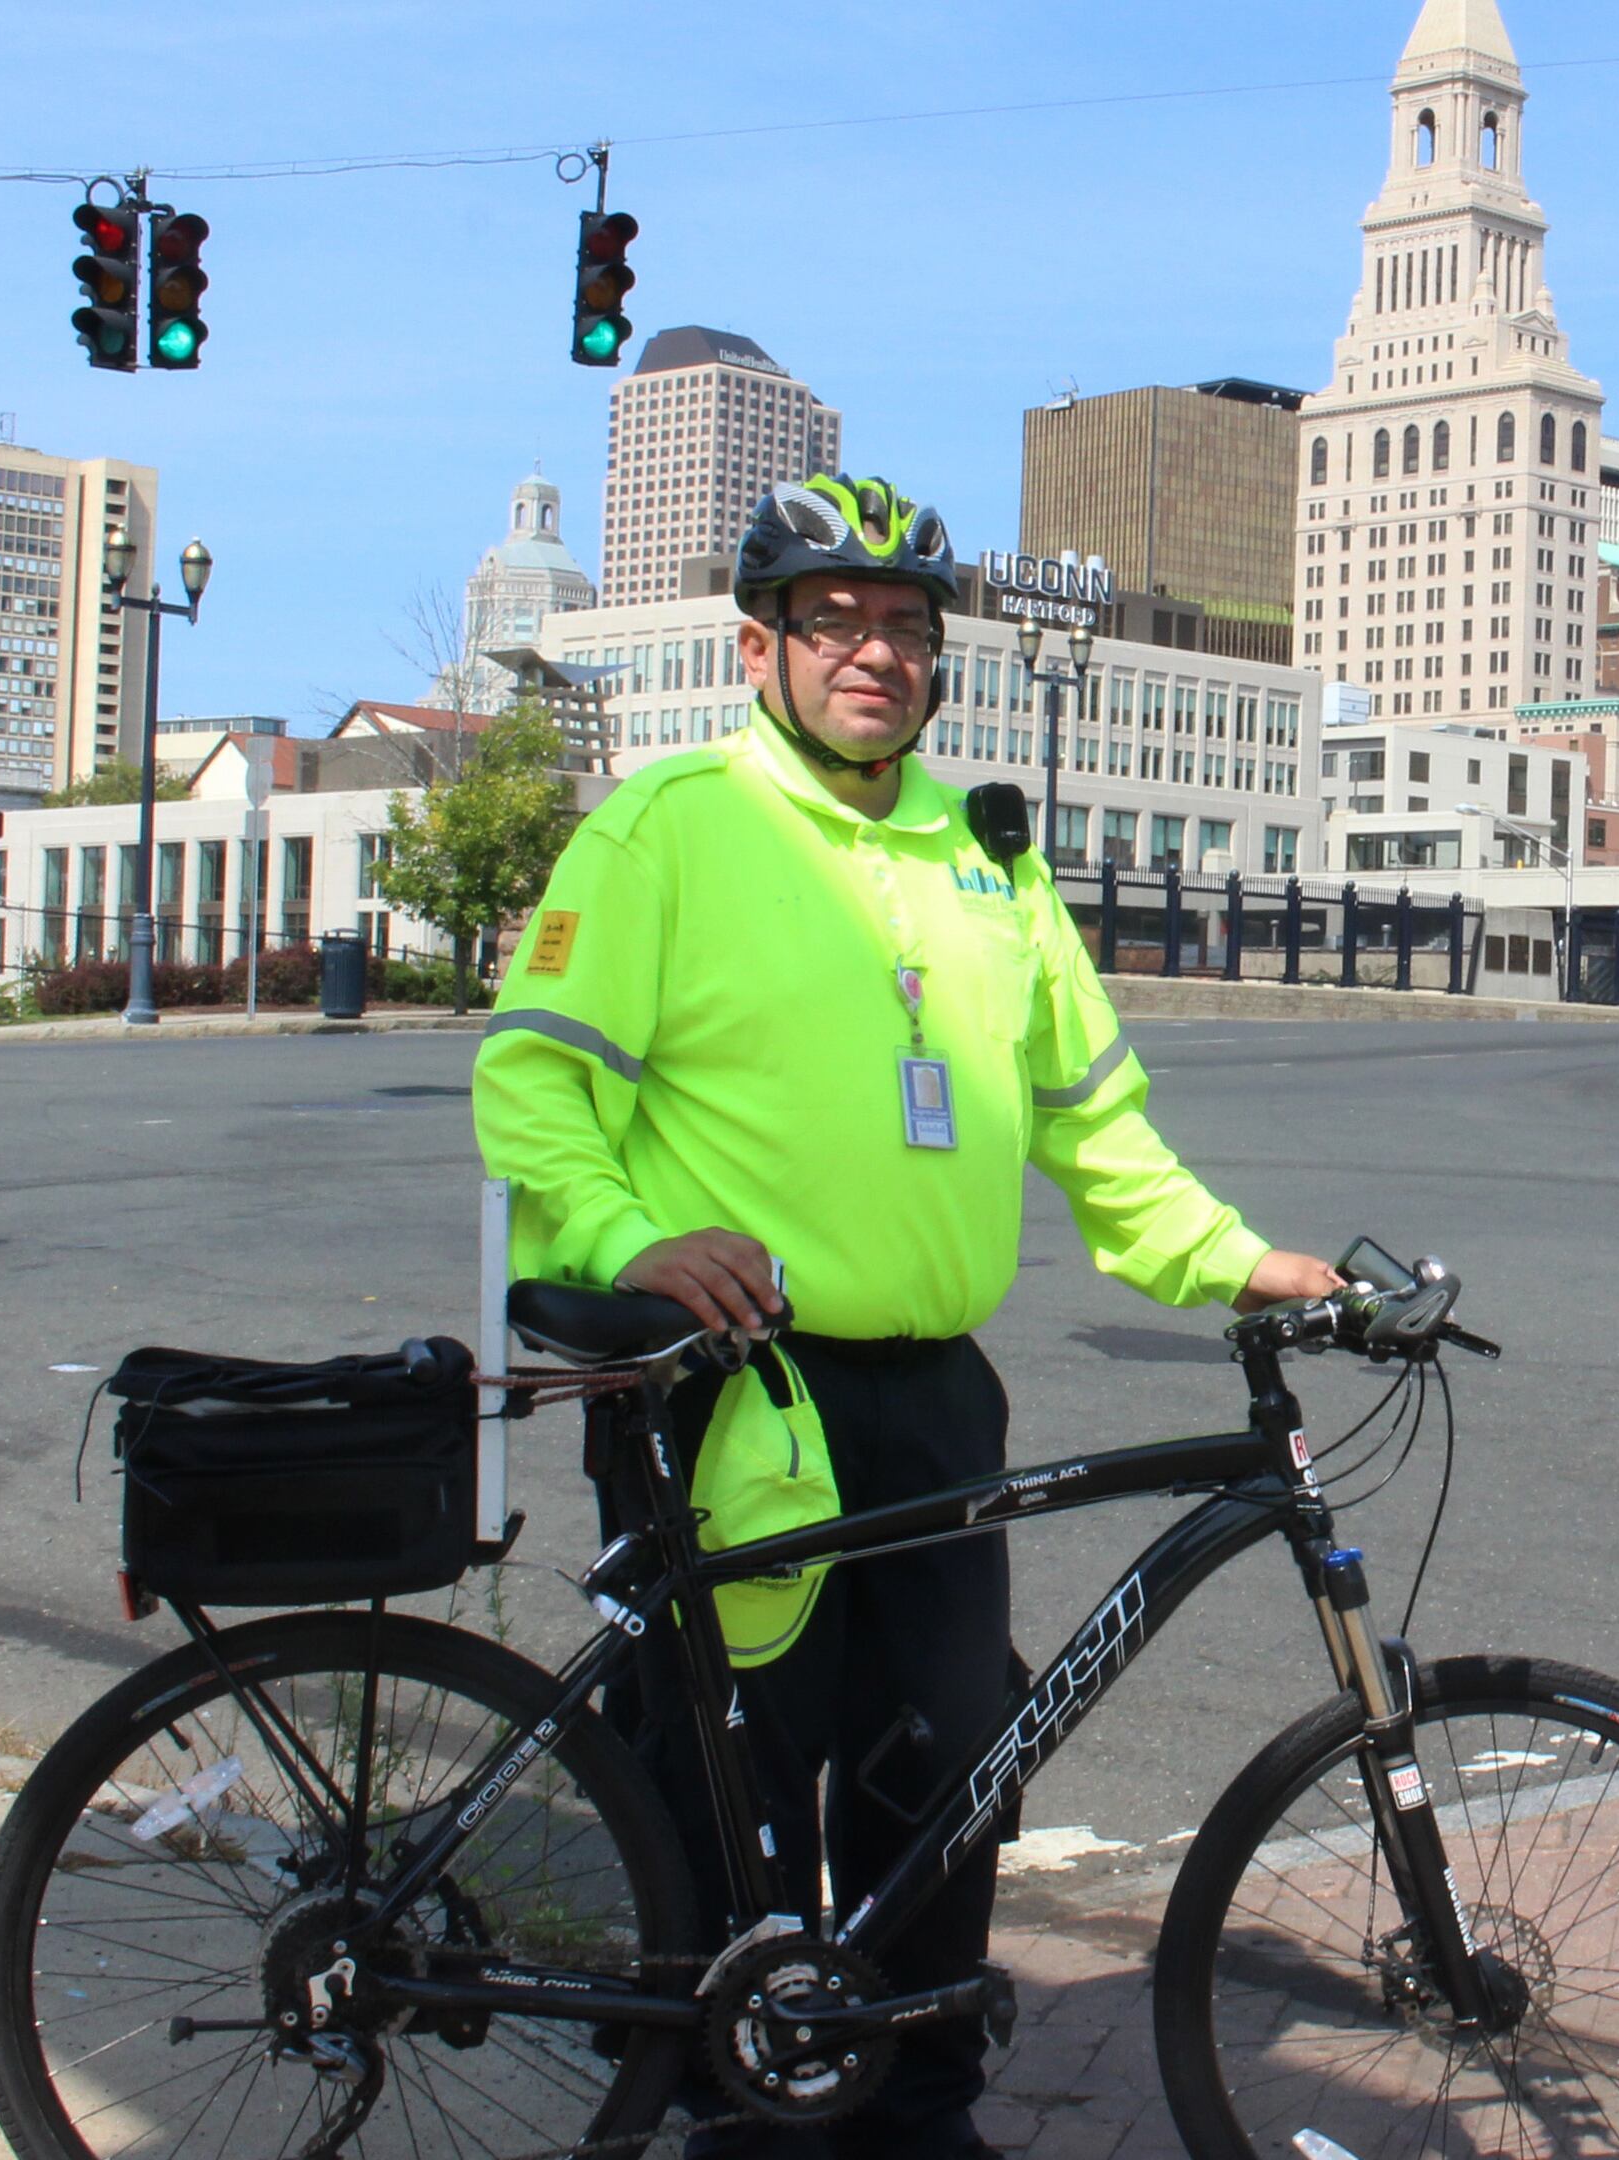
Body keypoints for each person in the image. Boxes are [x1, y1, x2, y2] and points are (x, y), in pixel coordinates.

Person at [471, 471, 1338, 2157]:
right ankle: (729, 2107)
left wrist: (1241, 1259)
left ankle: (916, 2117)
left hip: (935, 1398)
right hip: (729, 1395)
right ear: (762, 645)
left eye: (903, 629)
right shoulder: (664, 830)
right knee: (727, 1773)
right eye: (834, 621)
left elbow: (1099, 1128)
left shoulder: (989, 864)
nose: (872, 652)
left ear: (940, 663)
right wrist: (637, 1239)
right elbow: (533, 1088)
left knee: (945, 1769)